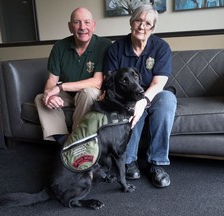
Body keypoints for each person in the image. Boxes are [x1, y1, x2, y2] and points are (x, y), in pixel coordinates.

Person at [103, 4, 177, 188]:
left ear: (152, 28)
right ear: (131, 22)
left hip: (153, 94)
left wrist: (143, 101)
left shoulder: (161, 47)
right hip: (126, 97)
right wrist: (132, 103)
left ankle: (157, 164)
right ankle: (129, 161)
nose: (142, 27)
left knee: (168, 100)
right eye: (138, 21)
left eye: (147, 23)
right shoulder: (116, 49)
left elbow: (158, 83)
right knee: (130, 108)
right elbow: (110, 83)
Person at [35, 7, 112, 143]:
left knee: (88, 93)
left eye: (87, 22)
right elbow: (52, 79)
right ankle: (62, 140)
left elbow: (97, 82)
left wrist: (61, 87)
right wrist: (49, 93)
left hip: (89, 93)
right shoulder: (59, 46)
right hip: (68, 96)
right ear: (70, 27)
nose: (82, 27)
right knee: (41, 98)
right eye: (77, 22)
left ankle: (78, 139)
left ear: (93, 25)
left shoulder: (104, 45)